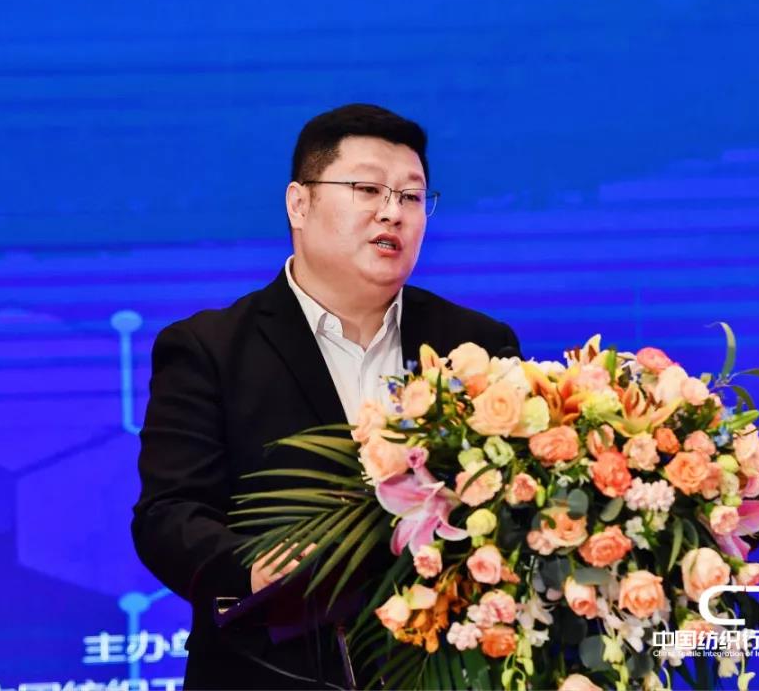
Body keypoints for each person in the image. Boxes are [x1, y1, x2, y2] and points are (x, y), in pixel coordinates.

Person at [132, 103, 521, 689]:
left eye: (412, 196)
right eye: (367, 189)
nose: (392, 212)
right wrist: (253, 570)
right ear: (299, 204)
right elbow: (169, 515)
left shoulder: (477, 345)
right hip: (270, 670)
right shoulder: (210, 349)